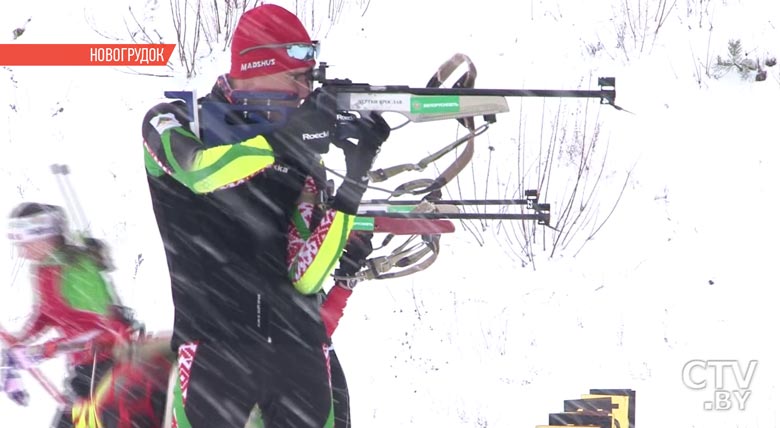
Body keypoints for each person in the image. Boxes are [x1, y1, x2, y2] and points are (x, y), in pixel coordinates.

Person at [140, 3, 390, 427]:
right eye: (296, 77)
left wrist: (355, 180)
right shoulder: (177, 120)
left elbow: (305, 272)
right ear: (257, 66)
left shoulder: (301, 153)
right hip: (213, 351)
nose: (305, 90)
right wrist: (285, 142)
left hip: (299, 350)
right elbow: (201, 171)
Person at [1, 202, 136, 428]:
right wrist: (20, 340)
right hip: (84, 368)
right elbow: (47, 314)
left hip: (110, 367)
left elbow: (105, 328)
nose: (21, 252)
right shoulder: (44, 268)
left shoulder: (77, 269)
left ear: (45, 237)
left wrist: (44, 350)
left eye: (25, 243)